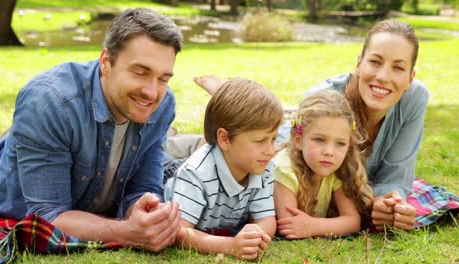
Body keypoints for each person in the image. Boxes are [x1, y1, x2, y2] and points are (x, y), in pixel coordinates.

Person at [182, 19, 429, 231]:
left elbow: (397, 174)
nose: (384, 76)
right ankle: (222, 98)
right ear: (358, 64)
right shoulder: (324, 98)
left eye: (398, 67)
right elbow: (275, 153)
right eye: (375, 62)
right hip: (274, 139)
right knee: (231, 148)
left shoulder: (415, 98)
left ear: (411, 77)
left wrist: (391, 202)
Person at [0, 8, 183, 252]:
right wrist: (127, 231)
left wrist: (145, 212)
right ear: (105, 62)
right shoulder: (49, 102)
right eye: (140, 72)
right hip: (13, 189)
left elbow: (143, 188)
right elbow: (47, 216)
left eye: (163, 78)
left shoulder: (163, 104)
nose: (152, 92)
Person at [164, 78, 283, 260]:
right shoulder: (195, 173)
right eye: (261, 141)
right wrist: (230, 246)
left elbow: (266, 220)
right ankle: (168, 132)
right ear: (225, 139)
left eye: (273, 139)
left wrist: (256, 235)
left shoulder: (263, 166)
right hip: (167, 176)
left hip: (217, 156)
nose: (271, 150)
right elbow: (180, 232)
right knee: (162, 150)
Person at [273, 90, 373, 239]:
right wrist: (327, 226)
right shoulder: (284, 168)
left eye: (340, 143)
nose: (329, 152)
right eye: (320, 140)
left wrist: (312, 226)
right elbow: (289, 226)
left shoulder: (336, 168)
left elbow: (353, 222)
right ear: (298, 139)